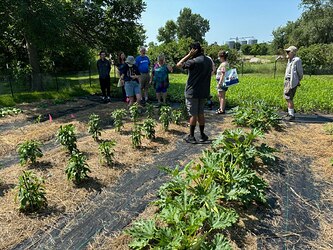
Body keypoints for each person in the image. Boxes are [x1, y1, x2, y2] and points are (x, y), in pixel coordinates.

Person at [176, 42, 213, 144]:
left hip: (192, 91)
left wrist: (188, 55)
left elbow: (178, 65)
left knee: (193, 114)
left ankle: (191, 136)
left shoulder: (193, 61)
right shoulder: (208, 61)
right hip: (204, 91)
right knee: (201, 113)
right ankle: (202, 135)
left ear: (193, 50)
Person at [283, 45, 303, 121]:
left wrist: (298, 80)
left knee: (289, 97)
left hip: (291, 81)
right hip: (287, 80)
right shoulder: (290, 60)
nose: (287, 53)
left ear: (292, 52)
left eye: (288, 52)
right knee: (287, 97)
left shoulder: (297, 60)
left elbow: (300, 72)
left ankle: (291, 115)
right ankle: (290, 112)